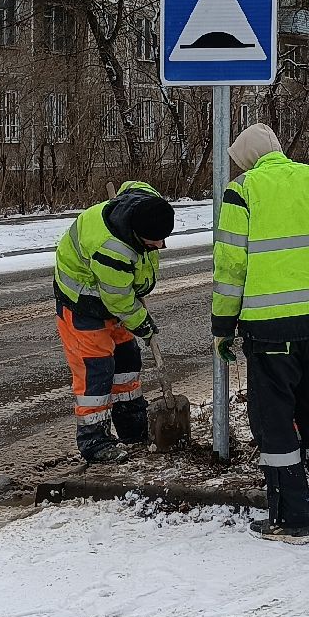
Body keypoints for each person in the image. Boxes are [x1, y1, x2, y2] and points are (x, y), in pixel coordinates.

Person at [212, 124, 309, 543]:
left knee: (274, 423)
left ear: (246, 159)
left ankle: (293, 520)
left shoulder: (243, 191)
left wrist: (223, 328)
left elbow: (230, 268)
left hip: (270, 329)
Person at [53, 181, 174, 463]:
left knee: (127, 361)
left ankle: (132, 429)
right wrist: (142, 323)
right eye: (154, 242)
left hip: (114, 299)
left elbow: (133, 185)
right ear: (135, 234)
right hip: (83, 303)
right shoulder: (112, 250)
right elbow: (118, 300)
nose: (160, 246)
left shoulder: (147, 204)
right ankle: (94, 441)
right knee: (97, 370)